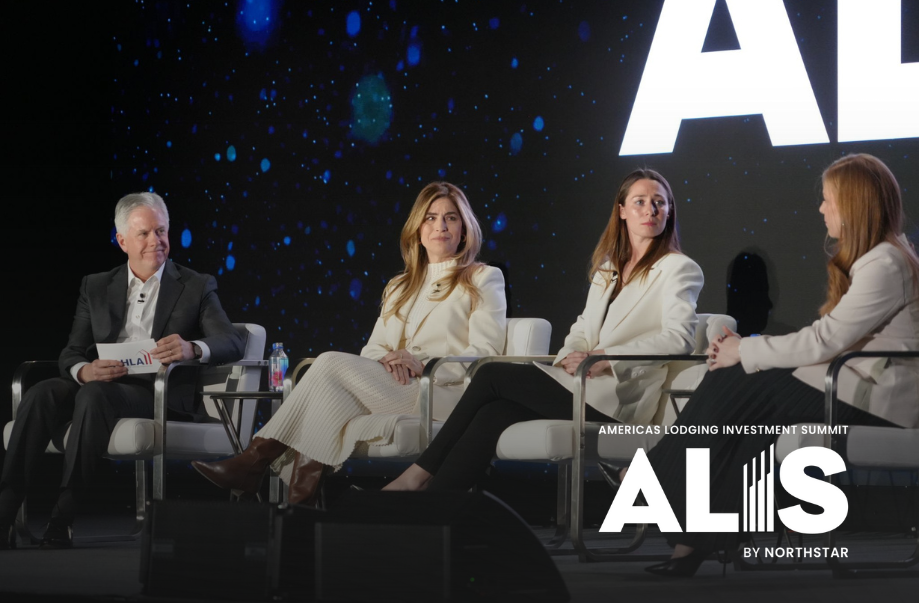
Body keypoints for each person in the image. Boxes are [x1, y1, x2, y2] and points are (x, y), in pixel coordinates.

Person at [635, 153, 919, 577]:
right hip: (852, 384)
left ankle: (654, 480)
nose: (822, 209)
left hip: (874, 398)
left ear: (855, 205)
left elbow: (827, 339)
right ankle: (692, 540)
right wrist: (747, 351)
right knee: (750, 428)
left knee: (735, 375)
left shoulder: (884, 262)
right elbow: (831, 338)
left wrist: (745, 351)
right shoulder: (881, 257)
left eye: (828, 200)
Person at [384, 169, 704, 492]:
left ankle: (415, 476)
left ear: (669, 211)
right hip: (578, 386)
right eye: (640, 202)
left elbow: (679, 338)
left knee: (493, 375)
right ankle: (432, 510)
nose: (650, 210)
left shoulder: (679, 268)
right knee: (494, 413)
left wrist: (607, 358)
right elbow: (583, 328)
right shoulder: (608, 269)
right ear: (622, 211)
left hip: (618, 403)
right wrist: (569, 355)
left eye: (659, 203)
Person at [192, 182, 507, 506]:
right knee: (329, 392)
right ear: (417, 229)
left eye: (451, 218)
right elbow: (372, 350)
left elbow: (487, 354)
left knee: (326, 364)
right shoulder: (399, 285)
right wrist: (390, 361)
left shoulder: (483, 278)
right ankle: (301, 500)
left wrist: (422, 363)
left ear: (465, 228)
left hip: (444, 392)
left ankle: (255, 461)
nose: (440, 226)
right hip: (396, 385)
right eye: (430, 217)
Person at [0, 192, 244, 549]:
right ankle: (5, 509)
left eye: (161, 231)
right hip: (102, 382)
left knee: (96, 397)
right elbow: (71, 351)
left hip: (156, 392)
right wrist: (85, 370)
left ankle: (63, 516)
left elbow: (231, 341)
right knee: (41, 394)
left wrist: (193, 348)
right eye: (144, 234)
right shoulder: (96, 286)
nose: (155, 242)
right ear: (122, 241)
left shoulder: (196, 285)